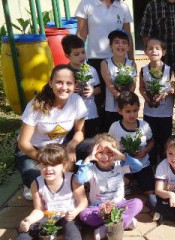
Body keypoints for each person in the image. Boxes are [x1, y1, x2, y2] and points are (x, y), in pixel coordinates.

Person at [16, 65, 88, 200]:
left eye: (69, 83)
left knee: (92, 147)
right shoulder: (35, 106)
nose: (64, 87)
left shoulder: (76, 101)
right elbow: (23, 143)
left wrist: (72, 145)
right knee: (33, 179)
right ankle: (31, 183)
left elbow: (80, 132)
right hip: (33, 150)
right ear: (51, 83)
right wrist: (48, 162)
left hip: (59, 147)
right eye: (59, 82)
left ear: (75, 85)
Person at [75, 0, 134, 129]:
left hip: (118, 61)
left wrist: (131, 58)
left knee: (118, 101)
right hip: (95, 60)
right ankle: (101, 136)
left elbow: (128, 35)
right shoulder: (87, 4)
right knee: (99, 101)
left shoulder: (122, 7)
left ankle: (120, 133)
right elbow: (81, 34)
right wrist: (76, 61)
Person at [76, 134, 143, 240]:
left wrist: (121, 156)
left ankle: (107, 228)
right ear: (94, 153)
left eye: (110, 152)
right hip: (99, 209)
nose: (105, 157)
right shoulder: (91, 169)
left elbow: (139, 166)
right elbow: (80, 179)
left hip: (119, 205)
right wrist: (88, 159)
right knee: (83, 215)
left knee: (137, 203)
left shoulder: (119, 166)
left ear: (115, 153)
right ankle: (123, 222)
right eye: (100, 152)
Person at [16, 144, 88, 240]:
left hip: (68, 218)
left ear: (64, 166)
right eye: (44, 164)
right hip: (48, 218)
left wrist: (75, 211)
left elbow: (83, 202)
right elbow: (39, 209)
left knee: (72, 232)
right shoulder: (36, 183)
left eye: (53, 165)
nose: (48, 169)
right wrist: (29, 220)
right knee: (26, 232)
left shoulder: (72, 180)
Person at [108, 91, 156, 208]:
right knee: (121, 184)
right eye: (128, 111)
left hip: (142, 164)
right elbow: (109, 144)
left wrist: (145, 151)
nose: (132, 115)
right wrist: (119, 154)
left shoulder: (144, 126)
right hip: (124, 166)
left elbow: (151, 141)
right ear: (120, 111)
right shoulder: (115, 127)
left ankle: (139, 185)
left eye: (135, 110)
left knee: (149, 191)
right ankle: (130, 184)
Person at [139, 37, 175, 164]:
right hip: (150, 112)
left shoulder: (169, 69)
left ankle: (165, 163)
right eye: (150, 48)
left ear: (163, 52)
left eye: (157, 48)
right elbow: (141, 88)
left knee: (165, 139)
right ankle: (152, 163)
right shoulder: (143, 70)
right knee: (150, 138)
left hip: (165, 112)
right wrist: (146, 97)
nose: (153, 51)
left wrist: (164, 94)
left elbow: (173, 88)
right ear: (145, 52)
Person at [61, 35, 101, 138]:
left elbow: (99, 89)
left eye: (83, 52)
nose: (81, 56)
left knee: (91, 142)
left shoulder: (91, 70)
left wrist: (92, 90)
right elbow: (58, 92)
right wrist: (69, 90)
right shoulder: (64, 72)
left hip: (90, 114)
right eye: (77, 54)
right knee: (74, 141)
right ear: (67, 56)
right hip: (71, 115)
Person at [101, 30, 137, 132]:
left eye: (124, 42)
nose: (120, 45)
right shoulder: (105, 63)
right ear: (110, 46)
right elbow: (109, 85)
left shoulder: (132, 64)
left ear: (129, 47)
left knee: (126, 132)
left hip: (127, 108)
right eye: (116, 42)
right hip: (111, 107)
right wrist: (119, 97)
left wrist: (125, 100)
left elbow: (133, 86)